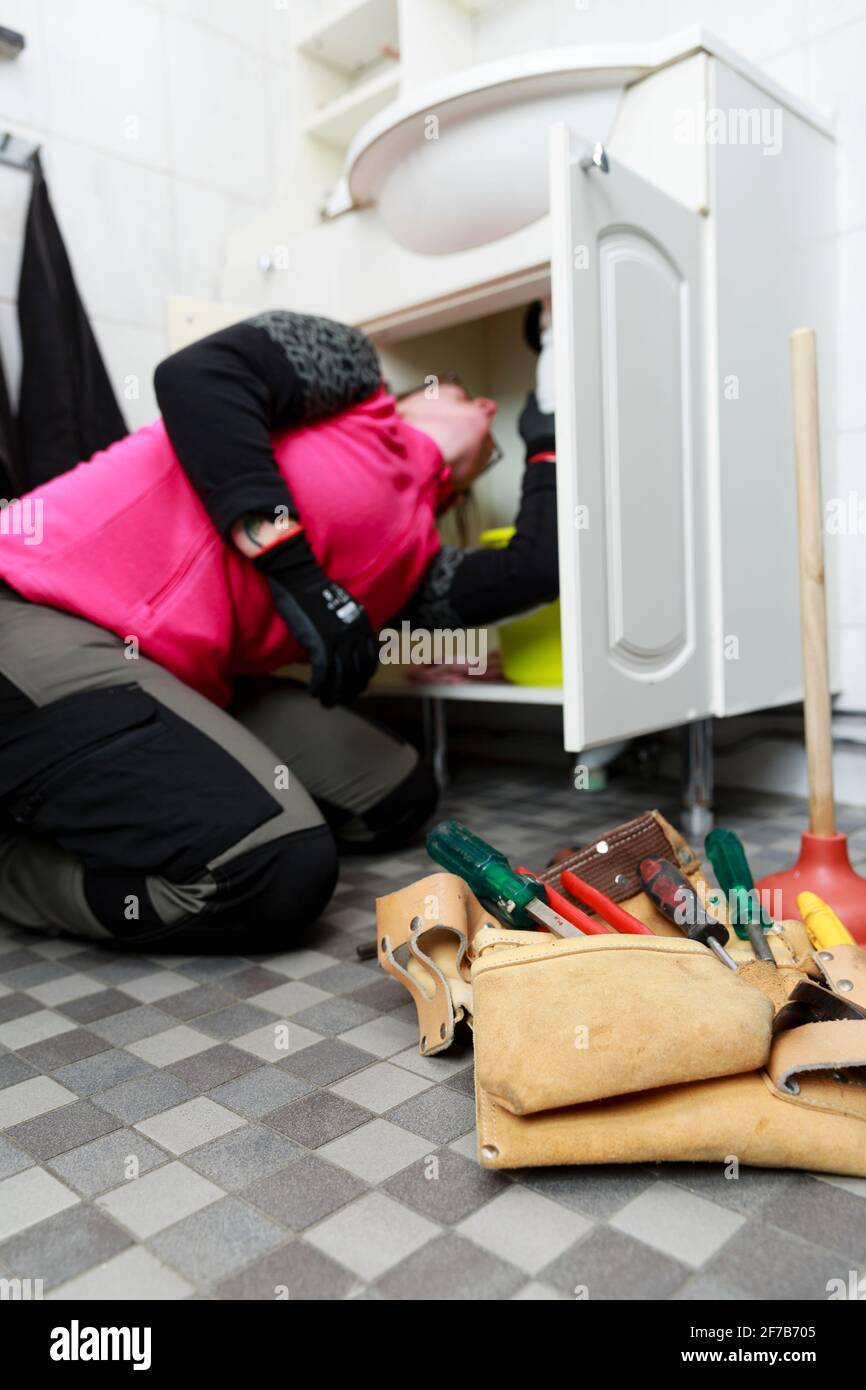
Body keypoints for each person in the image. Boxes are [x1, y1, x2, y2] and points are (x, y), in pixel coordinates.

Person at [0, 307, 558, 952]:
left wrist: (547, 432)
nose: (484, 409)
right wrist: (300, 576)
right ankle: (14, 862)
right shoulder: (356, 385)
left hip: (176, 680)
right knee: (271, 872)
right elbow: (198, 374)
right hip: (34, 607)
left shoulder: (420, 564)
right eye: (459, 391)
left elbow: (537, 567)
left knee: (396, 796)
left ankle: (112, 800)